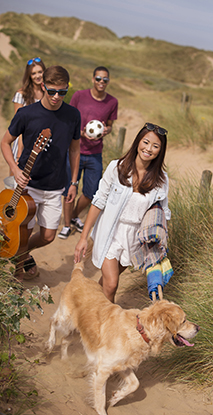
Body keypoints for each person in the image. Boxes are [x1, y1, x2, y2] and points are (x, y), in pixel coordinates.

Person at [74, 122, 171, 303]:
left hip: (134, 239)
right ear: (138, 142)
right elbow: (98, 202)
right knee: (111, 284)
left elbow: (163, 214)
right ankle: (105, 327)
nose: (149, 149)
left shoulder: (161, 179)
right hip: (110, 232)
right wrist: (83, 238)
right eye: (146, 142)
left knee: (105, 283)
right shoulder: (116, 167)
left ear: (160, 151)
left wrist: (159, 249)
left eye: (155, 146)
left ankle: (89, 307)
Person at [1, 65, 81, 281]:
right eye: (52, 91)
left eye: (62, 92)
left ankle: (22, 253)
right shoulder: (27, 114)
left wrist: (73, 182)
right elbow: (5, 142)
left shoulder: (73, 115)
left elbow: (75, 149)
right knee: (22, 231)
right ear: (43, 86)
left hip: (56, 186)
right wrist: (16, 170)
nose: (56, 96)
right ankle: (17, 273)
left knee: (47, 236)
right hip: (28, 186)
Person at [58, 66, 118, 239]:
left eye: (105, 80)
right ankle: (67, 225)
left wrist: (105, 130)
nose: (101, 82)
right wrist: (80, 133)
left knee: (91, 193)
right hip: (74, 150)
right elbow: (69, 118)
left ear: (108, 82)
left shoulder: (112, 102)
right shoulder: (79, 96)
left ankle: (75, 215)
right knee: (69, 190)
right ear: (93, 79)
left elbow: (110, 125)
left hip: (95, 153)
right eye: (98, 79)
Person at [11, 57, 46, 164]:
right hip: (24, 143)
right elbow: (19, 126)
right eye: (33, 73)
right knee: (17, 179)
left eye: (40, 72)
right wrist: (18, 155)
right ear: (29, 76)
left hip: (43, 143)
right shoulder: (21, 94)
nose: (38, 76)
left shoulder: (49, 94)